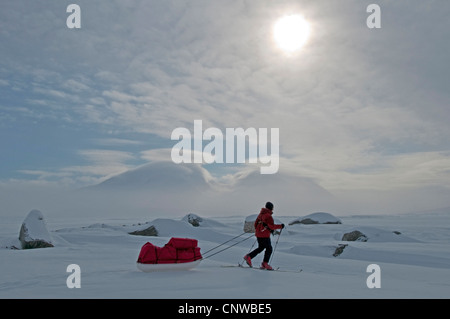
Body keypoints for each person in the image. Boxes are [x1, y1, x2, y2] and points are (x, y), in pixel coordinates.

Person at [243, 202, 285, 270]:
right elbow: (271, 226)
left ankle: (249, 257)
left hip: (259, 234)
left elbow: (255, 224)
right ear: (271, 208)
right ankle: (265, 264)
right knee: (269, 249)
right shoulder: (268, 216)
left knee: (261, 247)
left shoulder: (260, 214)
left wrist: (259, 231)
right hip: (264, 235)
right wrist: (280, 226)